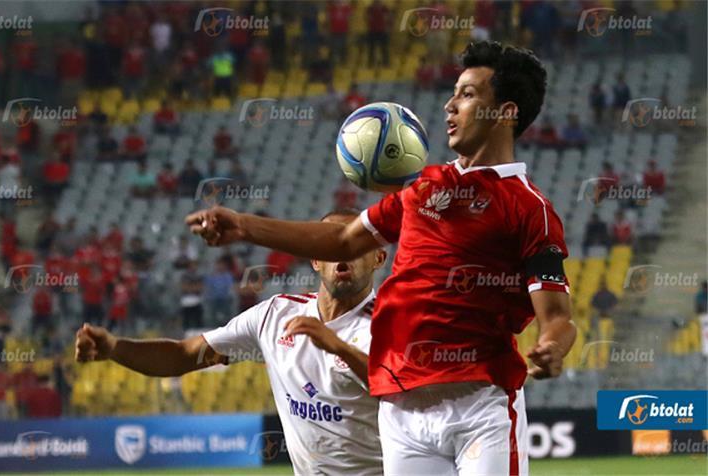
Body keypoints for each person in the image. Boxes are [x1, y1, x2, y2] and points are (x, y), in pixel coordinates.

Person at [187, 41, 576, 475]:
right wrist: (244, 226)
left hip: (479, 406)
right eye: (453, 92)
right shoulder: (422, 188)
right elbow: (343, 241)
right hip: (402, 412)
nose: (449, 105)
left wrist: (551, 347)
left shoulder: (529, 209)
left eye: (467, 94)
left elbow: (558, 316)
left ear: (505, 112)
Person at [76, 210, 386, 475]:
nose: (344, 255)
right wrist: (116, 348)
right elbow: (181, 355)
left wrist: (338, 346)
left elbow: (407, 395)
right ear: (316, 260)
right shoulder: (274, 316)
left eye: (356, 246)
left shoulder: (391, 327)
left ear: (379, 258)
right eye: (334, 246)